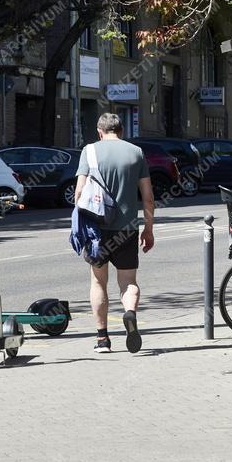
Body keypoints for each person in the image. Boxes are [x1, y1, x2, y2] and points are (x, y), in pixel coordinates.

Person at [74, 112, 154, 353]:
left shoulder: (89, 151)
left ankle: (102, 340)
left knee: (98, 281)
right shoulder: (136, 152)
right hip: (127, 229)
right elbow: (148, 198)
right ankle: (129, 313)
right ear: (121, 131)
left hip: (97, 230)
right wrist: (148, 230)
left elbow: (78, 194)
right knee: (128, 282)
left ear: (100, 131)